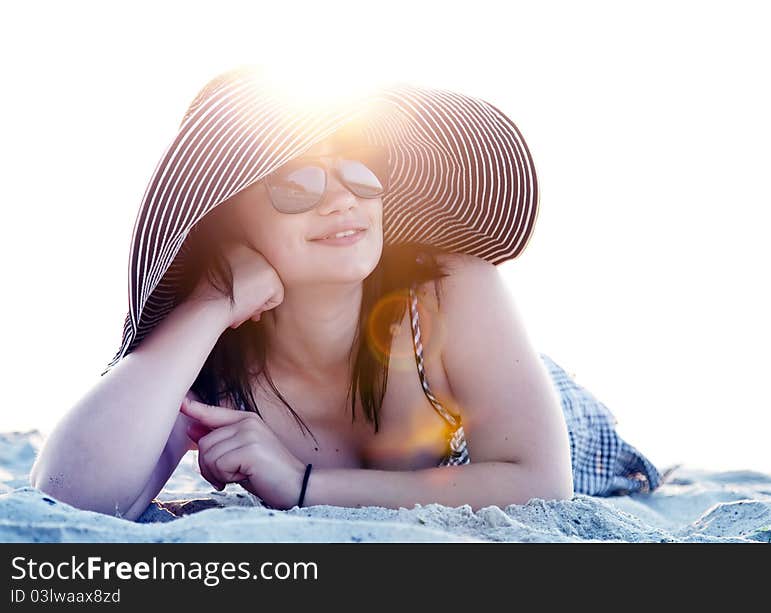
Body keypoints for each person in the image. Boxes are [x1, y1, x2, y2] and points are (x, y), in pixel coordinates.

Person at [29, 66, 666, 522]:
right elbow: (68, 495)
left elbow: (539, 482)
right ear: (229, 216)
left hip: (562, 425)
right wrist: (208, 304)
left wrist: (304, 487)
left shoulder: (444, 282)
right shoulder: (204, 358)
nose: (340, 198)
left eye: (359, 167)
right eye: (295, 180)